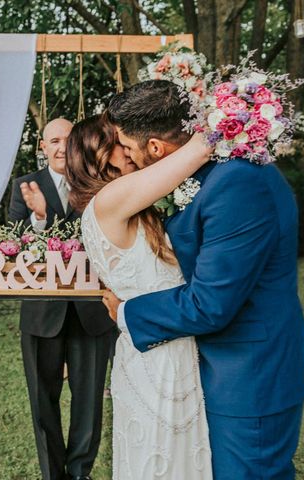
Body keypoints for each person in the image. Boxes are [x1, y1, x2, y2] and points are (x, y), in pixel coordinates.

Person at [101, 80, 304, 479]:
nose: (125, 158)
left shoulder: (237, 184)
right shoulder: (213, 174)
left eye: (128, 148)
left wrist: (127, 313)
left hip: (250, 380)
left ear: (155, 149)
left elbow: (211, 303)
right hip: (228, 370)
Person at [66, 111, 213, 479]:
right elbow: (198, 150)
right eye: (120, 141)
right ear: (101, 154)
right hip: (160, 357)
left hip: (153, 346)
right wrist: (227, 108)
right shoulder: (111, 197)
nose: (129, 147)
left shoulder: (123, 206)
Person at [8, 118, 116, 480]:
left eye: (67, 140)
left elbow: (103, 235)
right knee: (43, 404)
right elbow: (14, 247)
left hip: (93, 314)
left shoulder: (100, 182)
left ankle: (80, 473)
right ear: (42, 146)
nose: (59, 147)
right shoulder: (23, 186)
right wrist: (39, 217)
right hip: (42, 314)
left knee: (88, 404)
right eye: (52, 140)